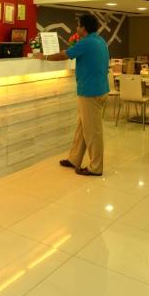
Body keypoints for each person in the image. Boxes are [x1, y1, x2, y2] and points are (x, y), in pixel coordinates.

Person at [36, 14, 110, 176]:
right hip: (101, 89)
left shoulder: (86, 42)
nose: (76, 28)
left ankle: (95, 167)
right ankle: (74, 158)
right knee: (83, 127)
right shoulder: (100, 41)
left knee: (93, 132)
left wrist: (44, 57)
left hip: (90, 92)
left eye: (78, 25)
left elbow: (64, 55)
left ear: (83, 28)